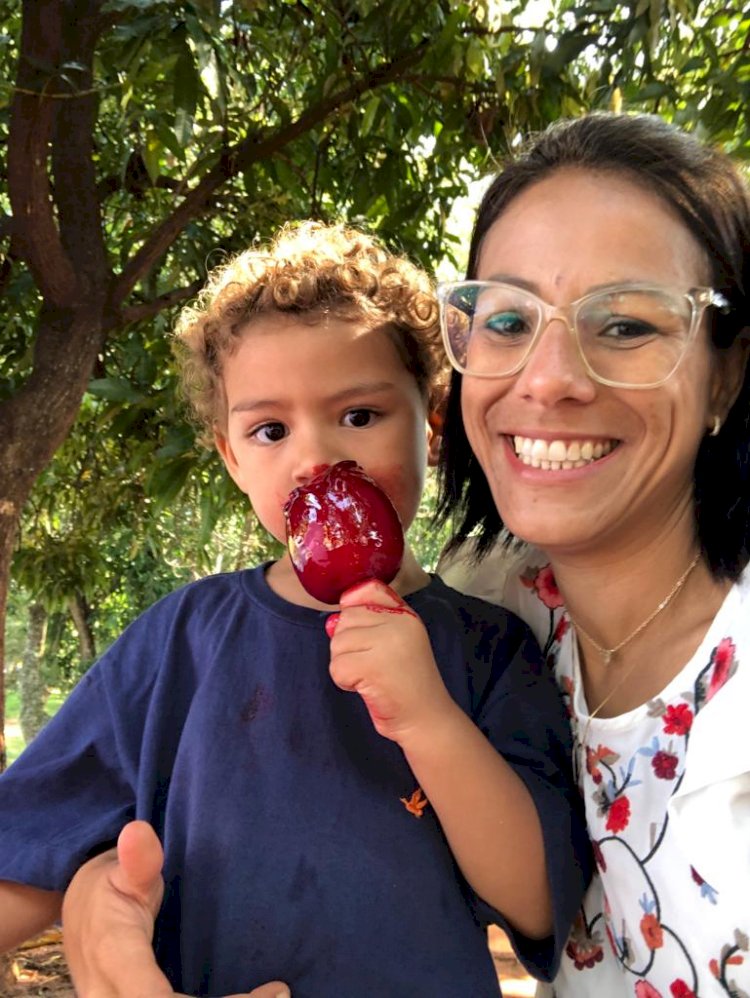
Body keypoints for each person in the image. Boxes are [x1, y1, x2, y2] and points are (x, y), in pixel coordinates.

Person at [0, 222, 590, 997]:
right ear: (229, 455)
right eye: (270, 429)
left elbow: (539, 902)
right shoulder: (181, 643)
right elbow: (28, 850)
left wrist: (427, 718)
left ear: (433, 427)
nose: (315, 456)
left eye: (359, 415)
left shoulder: (488, 647)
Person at [436, 111, 750, 995]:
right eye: (505, 319)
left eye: (624, 326)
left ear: (727, 371)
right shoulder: (483, 617)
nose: (546, 378)